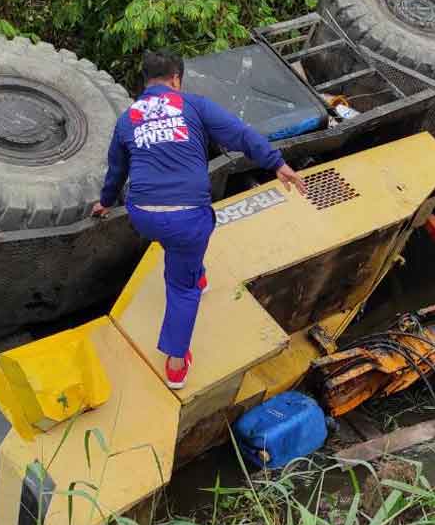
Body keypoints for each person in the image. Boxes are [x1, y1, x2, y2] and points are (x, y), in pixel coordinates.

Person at [92, 50, 307, 390]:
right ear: (176, 79)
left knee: (177, 244)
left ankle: (194, 270)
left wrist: (104, 204)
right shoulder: (193, 105)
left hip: (144, 213)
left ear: (145, 82)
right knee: (182, 287)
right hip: (187, 215)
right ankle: (177, 365)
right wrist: (277, 163)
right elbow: (241, 134)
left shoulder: (127, 119)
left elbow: (116, 172)